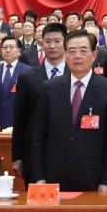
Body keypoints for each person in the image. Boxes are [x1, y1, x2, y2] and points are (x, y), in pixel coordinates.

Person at [31, 29, 107, 191]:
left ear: (94, 55)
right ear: (65, 55)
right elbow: (38, 136)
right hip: (53, 177)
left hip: (93, 178)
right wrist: (39, 177)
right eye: (72, 51)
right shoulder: (49, 89)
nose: (77, 56)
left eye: (83, 51)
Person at [12, 22, 67, 182]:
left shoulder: (75, 75)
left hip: (67, 153)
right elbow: (20, 118)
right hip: (34, 153)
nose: (52, 45)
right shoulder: (28, 77)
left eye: (57, 41)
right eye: (47, 41)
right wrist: (17, 157)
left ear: (65, 42)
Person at [0, 36, 30, 130]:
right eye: (4, 47)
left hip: (19, 123)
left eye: (11, 47)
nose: (7, 50)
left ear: (19, 51)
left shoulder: (28, 72)